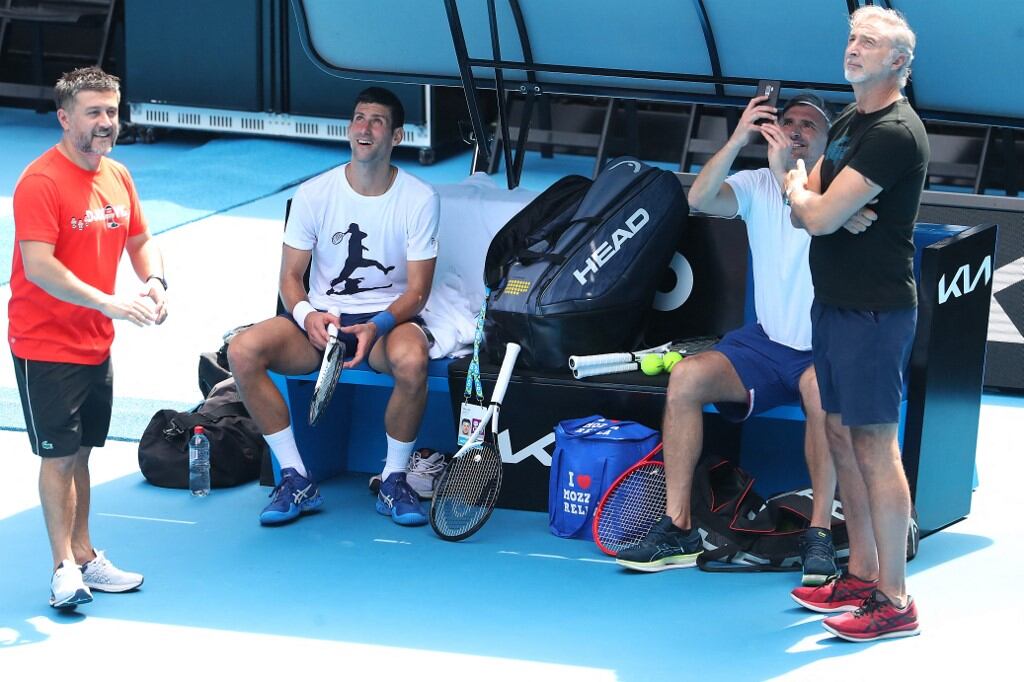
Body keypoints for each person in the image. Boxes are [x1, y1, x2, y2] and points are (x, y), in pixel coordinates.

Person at [616, 91, 863, 587]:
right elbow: (698, 199)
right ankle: (680, 527)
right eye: (786, 120)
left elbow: (811, 218)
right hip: (768, 345)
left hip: (828, 346)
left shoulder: (841, 191)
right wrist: (738, 137)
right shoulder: (753, 184)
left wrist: (781, 172)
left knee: (819, 392)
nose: (794, 130)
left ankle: (817, 533)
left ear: (830, 138)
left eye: (808, 124)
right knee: (686, 378)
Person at [229, 87, 441, 527]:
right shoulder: (313, 194)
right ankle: (295, 477)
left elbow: (417, 292)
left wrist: (378, 325)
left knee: (412, 361)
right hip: (322, 323)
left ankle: (393, 479)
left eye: (377, 121)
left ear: (397, 136)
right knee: (243, 350)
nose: (364, 128)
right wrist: (308, 317)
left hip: (387, 322)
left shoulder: (419, 198)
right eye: (359, 118)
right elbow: (290, 278)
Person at [783, 6, 928, 641]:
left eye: (868, 42)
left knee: (874, 445)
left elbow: (814, 215)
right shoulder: (848, 119)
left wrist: (816, 203)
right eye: (851, 38)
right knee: (842, 437)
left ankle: (896, 600)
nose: (854, 48)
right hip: (834, 302)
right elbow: (806, 208)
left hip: (874, 310)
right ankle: (863, 574)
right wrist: (810, 196)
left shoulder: (896, 131)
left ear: (898, 61)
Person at [9, 66, 168, 609]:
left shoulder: (118, 176)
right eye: (94, 113)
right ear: (64, 118)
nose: (106, 123)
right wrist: (109, 302)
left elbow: (142, 238)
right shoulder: (40, 182)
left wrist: (154, 280)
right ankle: (62, 572)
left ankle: (85, 556)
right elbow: (39, 266)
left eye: (111, 112)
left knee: (81, 454)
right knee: (57, 457)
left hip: (95, 342)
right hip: (44, 345)